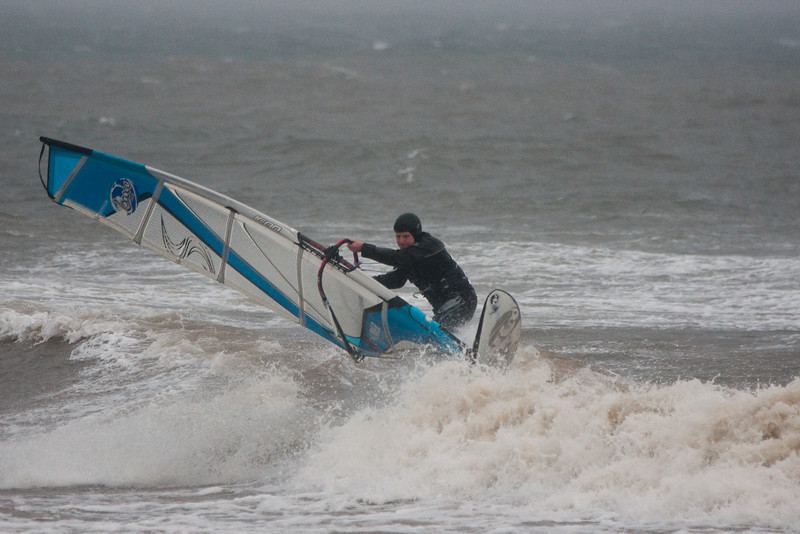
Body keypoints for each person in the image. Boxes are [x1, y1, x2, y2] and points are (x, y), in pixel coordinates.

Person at [347, 213, 477, 329]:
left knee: (431, 336)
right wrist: (363, 281)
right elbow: (396, 280)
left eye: (405, 236)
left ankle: (466, 354)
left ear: (415, 234)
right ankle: (466, 353)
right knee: (434, 339)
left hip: (462, 301)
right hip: (444, 308)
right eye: (398, 236)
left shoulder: (431, 246)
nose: (401, 241)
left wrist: (364, 248)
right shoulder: (408, 256)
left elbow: (397, 258)